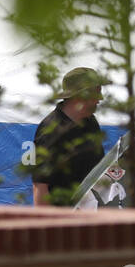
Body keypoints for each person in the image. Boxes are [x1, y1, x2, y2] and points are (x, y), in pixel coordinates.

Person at [31, 67, 109, 207]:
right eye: (96, 92)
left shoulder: (90, 122)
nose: (100, 99)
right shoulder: (51, 132)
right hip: (64, 219)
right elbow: (41, 187)